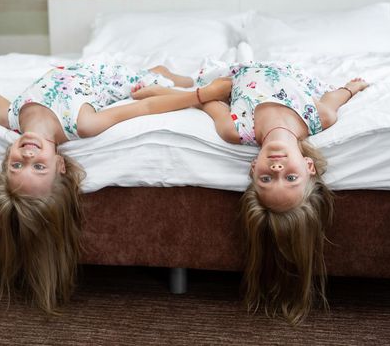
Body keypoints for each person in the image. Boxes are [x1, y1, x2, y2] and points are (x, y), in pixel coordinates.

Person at [0, 63, 230, 313]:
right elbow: (143, 108)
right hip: (119, 77)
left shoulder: (11, 118)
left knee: (154, 75)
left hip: (78, 67)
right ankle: (176, 75)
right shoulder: (83, 124)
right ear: (60, 164)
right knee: (157, 83)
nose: (27, 154)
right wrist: (204, 95)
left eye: (18, 164)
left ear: (7, 160)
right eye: (38, 165)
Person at [132, 61, 369, 324]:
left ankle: (170, 75)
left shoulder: (236, 129)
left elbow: (206, 102)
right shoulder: (320, 117)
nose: (277, 166)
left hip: (237, 74)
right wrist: (350, 88)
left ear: (253, 168)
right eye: (290, 177)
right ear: (309, 166)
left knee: (197, 81)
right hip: (287, 70)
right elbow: (332, 98)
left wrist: (169, 94)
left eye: (267, 178)